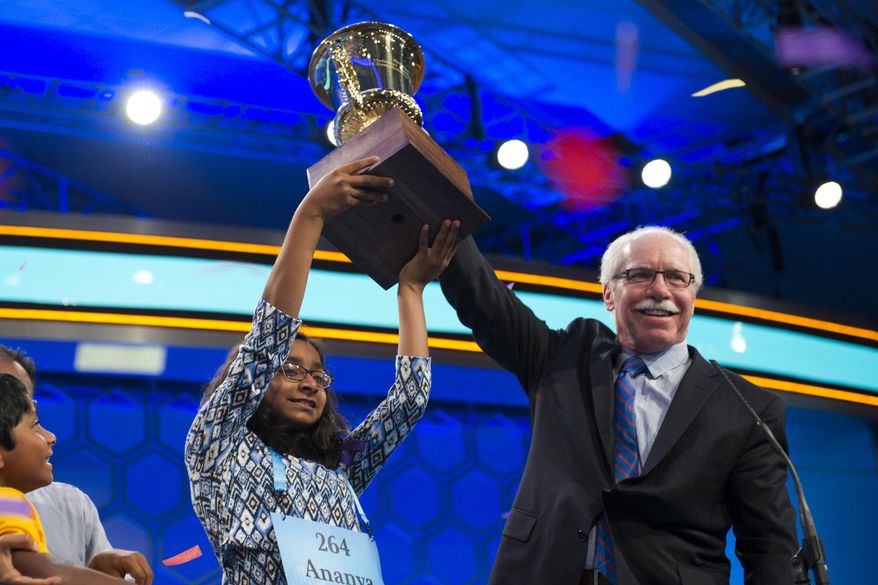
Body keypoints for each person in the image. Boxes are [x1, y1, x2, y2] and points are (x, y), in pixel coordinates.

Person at [438, 226, 797, 585]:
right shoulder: (561, 359)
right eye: (640, 274)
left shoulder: (747, 409)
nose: (660, 290)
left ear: (693, 295)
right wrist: (431, 202)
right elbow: (484, 300)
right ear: (609, 294)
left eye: (677, 278)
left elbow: (769, 547)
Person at [185, 156, 459, 585]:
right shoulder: (218, 445)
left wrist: (411, 288)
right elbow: (267, 339)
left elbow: (409, 400)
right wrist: (310, 215)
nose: (310, 383)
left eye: (318, 375)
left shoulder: (342, 467)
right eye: (291, 369)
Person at [0, 346, 153, 584]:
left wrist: (94, 571)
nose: (50, 436)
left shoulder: (70, 506)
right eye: (33, 423)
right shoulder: (9, 503)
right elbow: (42, 571)